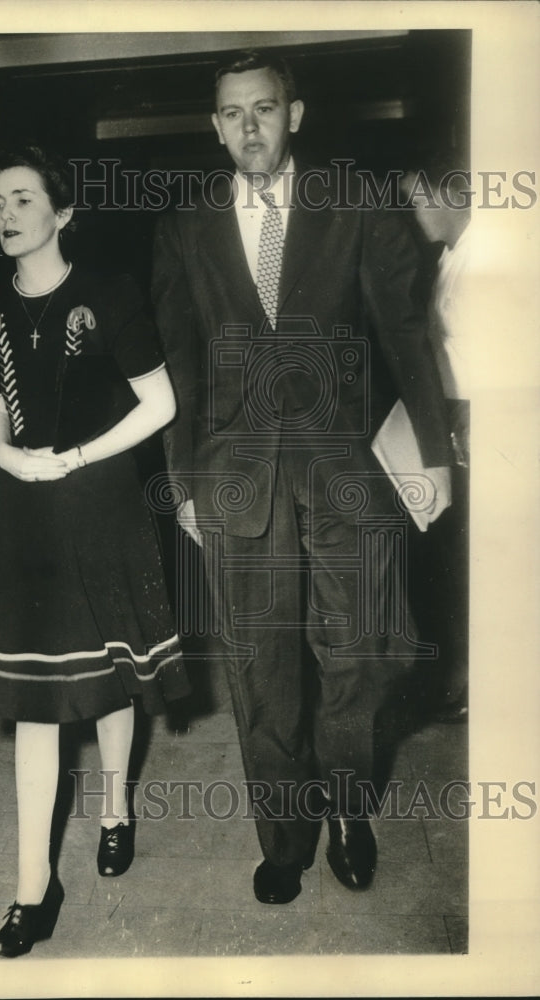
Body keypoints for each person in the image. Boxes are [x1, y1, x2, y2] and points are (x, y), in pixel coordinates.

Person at [152, 50, 453, 906]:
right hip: (235, 478)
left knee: (353, 655)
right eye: (232, 113)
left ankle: (350, 812)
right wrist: (180, 483)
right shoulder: (183, 224)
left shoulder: (354, 204)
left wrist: (431, 456)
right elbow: (179, 363)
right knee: (259, 666)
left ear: (295, 115)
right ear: (214, 127)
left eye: (265, 108)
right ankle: (283, 836)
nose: (249, 126)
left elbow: (406, 337)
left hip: (345, 472)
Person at [0, 146, 190, 957]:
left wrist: (76, 458)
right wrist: (6, 457)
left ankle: (114, 810)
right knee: (36, 697)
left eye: (23, 198)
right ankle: (33, 888)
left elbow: (159, 403)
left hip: (98, 504)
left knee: (106, 680)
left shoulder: (108, 296)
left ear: (62, 214)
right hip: (24, 515)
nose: (6, 213)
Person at [401, 161, 472, 723]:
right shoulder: (449, 257)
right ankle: (454, 671)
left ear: (444, 195)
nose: (414, 213)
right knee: (441, 556)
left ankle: (467, 677)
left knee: (464, 561)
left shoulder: (488, 256)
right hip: (447, 416)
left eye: (416, 200)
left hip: (477, 420)